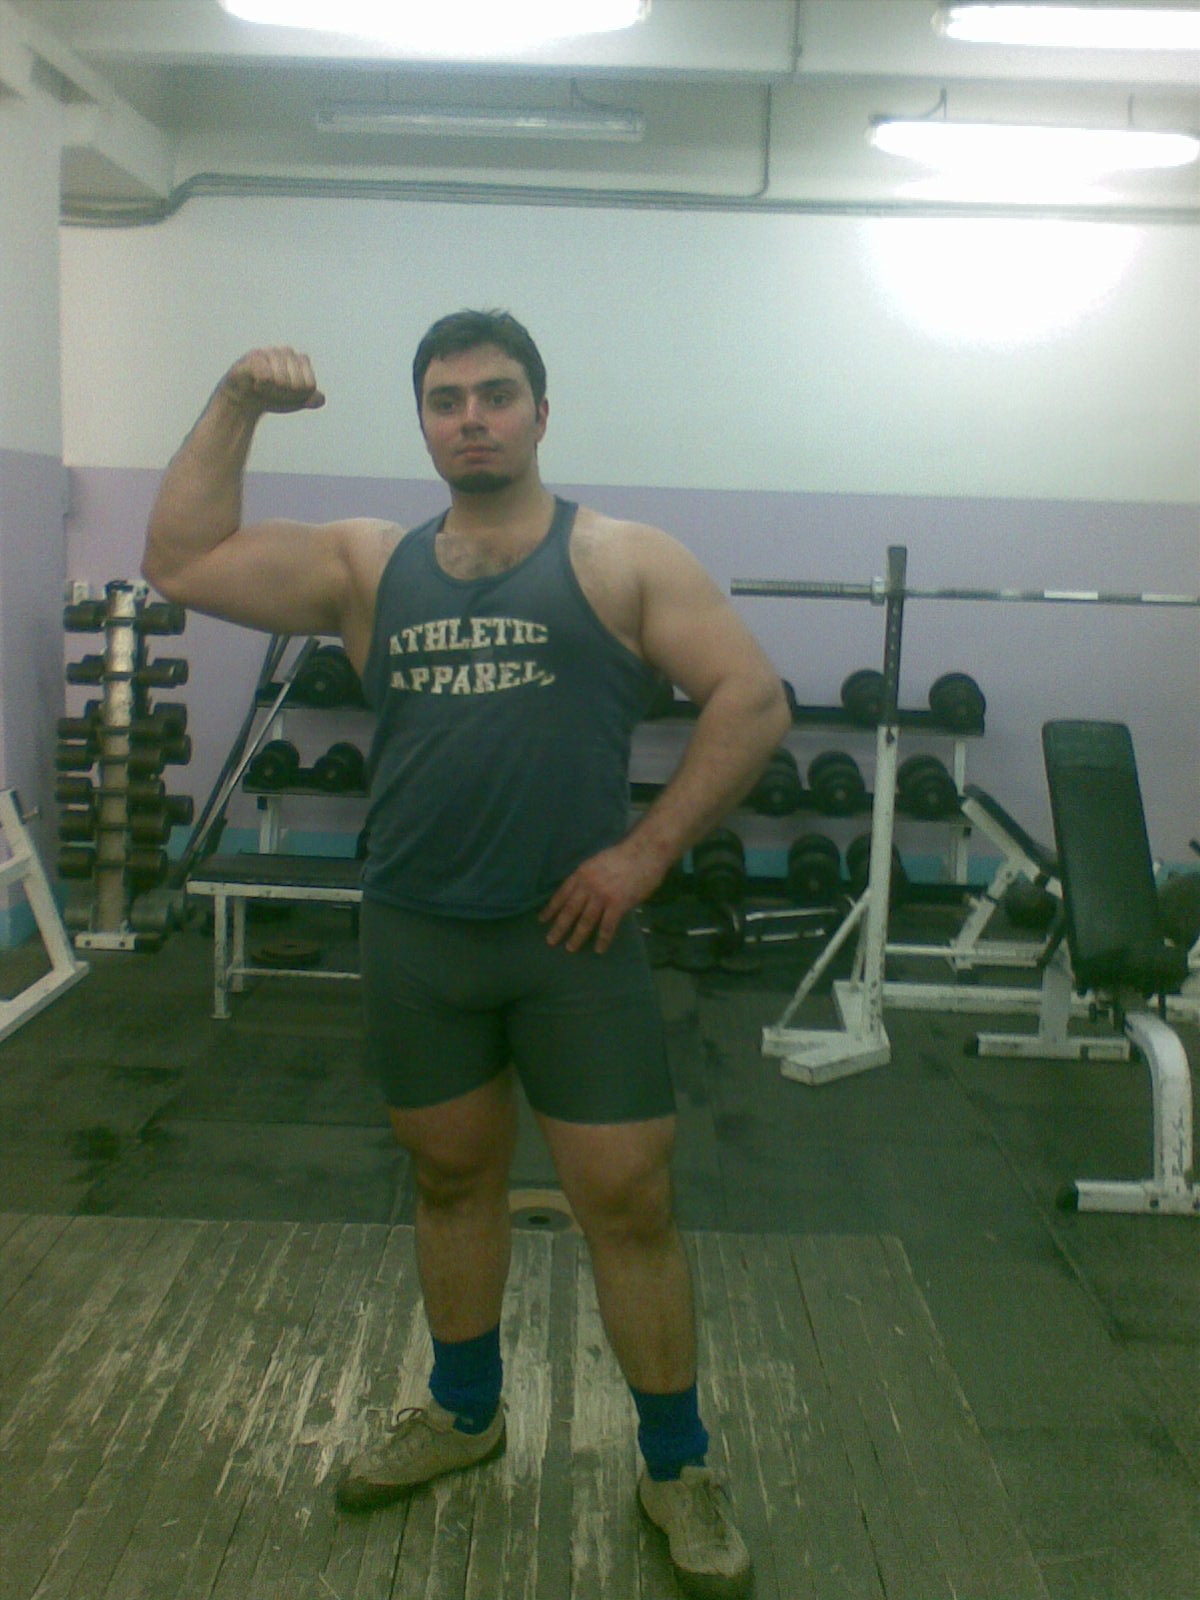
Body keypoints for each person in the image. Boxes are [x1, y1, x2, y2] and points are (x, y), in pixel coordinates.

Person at [142, 309, 790, 1599]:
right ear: (425, 423)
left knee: (630, 1205)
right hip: (419, 935)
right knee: (449, 1183)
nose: (473, 418)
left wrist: (645, 856)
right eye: (447, 400)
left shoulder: (620, 558)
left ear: (541, 412)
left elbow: (753, 697)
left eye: (497, 395)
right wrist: (237, 400)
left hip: (572, 943)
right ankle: (462, 1411)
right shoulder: (368, 566)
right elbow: (183, 560)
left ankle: (677, 1466)